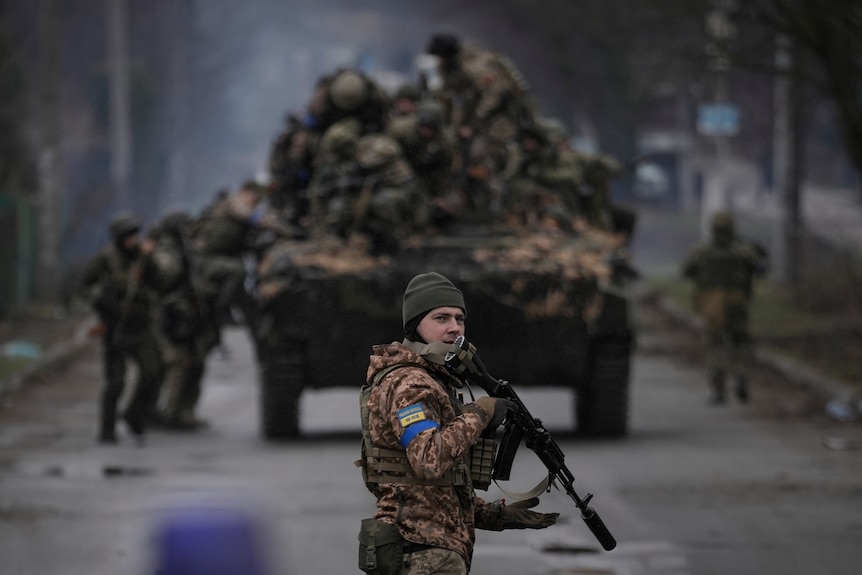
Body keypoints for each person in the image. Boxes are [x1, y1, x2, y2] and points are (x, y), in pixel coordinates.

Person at [358, 272, 559, 574]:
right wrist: (480, 413)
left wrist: (497, 515)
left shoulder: (431, 380)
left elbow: (432, 494)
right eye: (441, 318)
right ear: (416, 325)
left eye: (459, 319)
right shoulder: (411, 384)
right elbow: (428, 460)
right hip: (423, 555)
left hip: (431, 552)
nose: (454, 327)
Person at [79, 212, 164, 444]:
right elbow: (85, 285)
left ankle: (134, 415)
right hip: (116, 327)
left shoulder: (143, 259)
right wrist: (102, 301)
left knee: (152, 373)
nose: (133, 241)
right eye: (128, 237)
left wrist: (151, 258)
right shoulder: (106, 260)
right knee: (116, 381)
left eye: (135, 235)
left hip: (141, 326)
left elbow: (160, 281)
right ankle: (107, 430)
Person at [682, 211, 769, 404]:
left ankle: (719, 389)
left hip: (712, 302)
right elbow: (761, 268)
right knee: (741, 342)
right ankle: (742, 379)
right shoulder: (743, 250)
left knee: (715, 343)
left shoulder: (702, 251)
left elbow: (686, 272)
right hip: (737, 300)